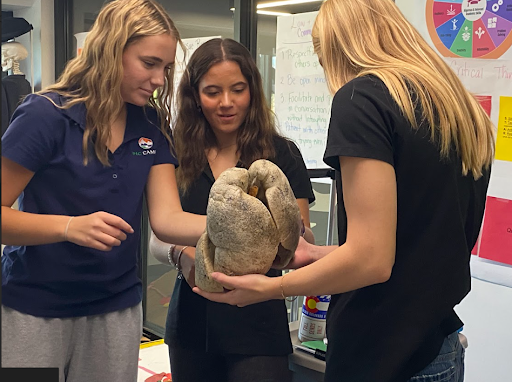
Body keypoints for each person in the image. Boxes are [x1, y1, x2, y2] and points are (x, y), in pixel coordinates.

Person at [193, 1, 495, 382]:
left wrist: (272, 288)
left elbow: (372, 260)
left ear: (335, 49)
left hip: (385, 353)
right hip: (440, 346)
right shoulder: (457, 108)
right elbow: (416, 249)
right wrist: (321, 254)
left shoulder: (362, 100)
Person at [1, 1, 206, 381]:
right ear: (111, 51)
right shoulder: (44, 115)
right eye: (149, 64)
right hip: (34, 308)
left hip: (115, 309)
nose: (160, 79)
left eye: (166, 67)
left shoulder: (150, 123)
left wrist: (242, 227)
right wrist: (67, 228)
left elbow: (168, 220)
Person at [149, 38, 315, 382]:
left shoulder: (280, 154)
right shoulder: (174, 152)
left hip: (258, 322)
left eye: (238, 90)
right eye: (213, 92)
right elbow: (159, 235)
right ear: (195, 95)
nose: (227, 103)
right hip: (192, 318)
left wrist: (296, 236)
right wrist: (182, 256)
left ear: (252, 90)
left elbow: (299, 243)